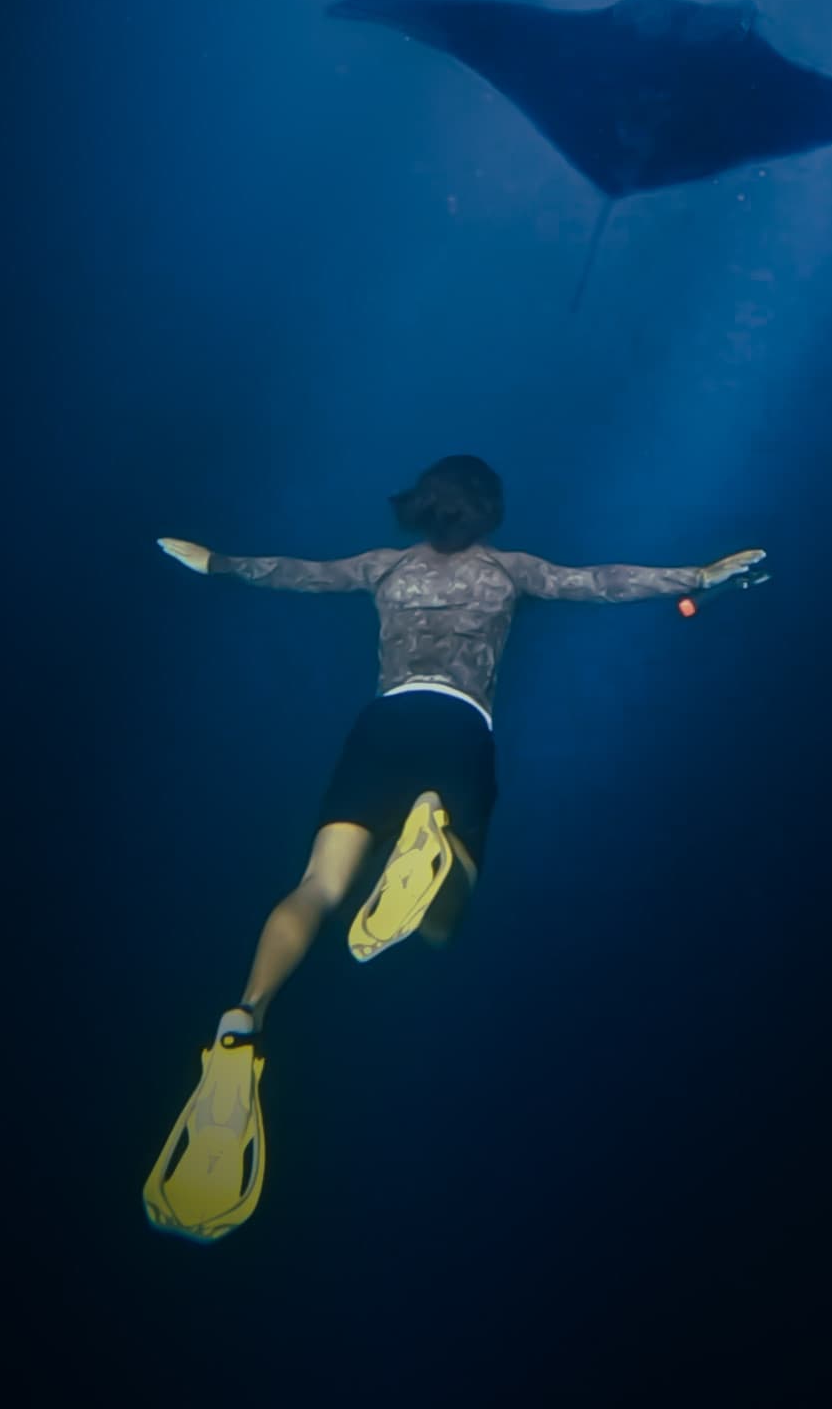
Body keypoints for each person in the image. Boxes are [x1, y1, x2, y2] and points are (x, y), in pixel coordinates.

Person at [143, 454, 764, 1240]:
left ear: (421, 507)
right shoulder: (510, 571)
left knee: (318, 887)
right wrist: (700, 577)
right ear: (489, 512)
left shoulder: (383, 567)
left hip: (383, 723)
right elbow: (600, 581)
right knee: (441, 924)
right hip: (456, 726)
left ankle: (244, 1017)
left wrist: (215, 562)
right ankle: (430, 838)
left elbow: (291, 572)